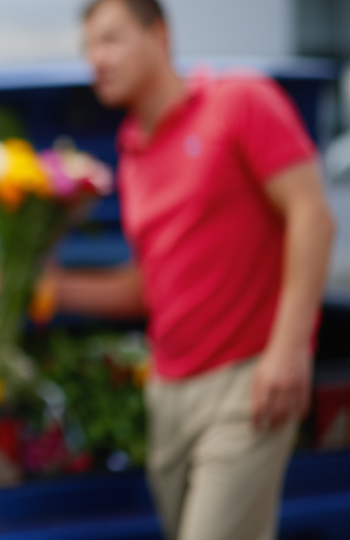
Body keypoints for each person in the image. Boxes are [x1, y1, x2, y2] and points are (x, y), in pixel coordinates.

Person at [64, 1, 335, 539]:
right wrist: (53, 287)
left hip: (247, 382)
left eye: (111, 39)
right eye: (89, 46)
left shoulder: (239, 101)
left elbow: (313, 217)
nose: (97, 59)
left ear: (159, 36)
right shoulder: (132, 151)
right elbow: (151, 286)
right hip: (168, 392)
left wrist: (289, 350)